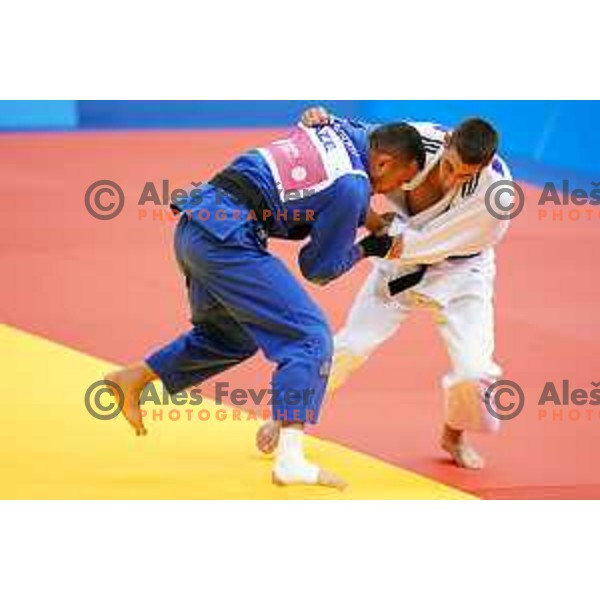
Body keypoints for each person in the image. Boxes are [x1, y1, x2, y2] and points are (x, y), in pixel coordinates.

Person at [106, 116, 425, 488]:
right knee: (310, 337)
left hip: (196, 224)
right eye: (400, 181)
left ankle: (133, 378)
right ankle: (290, 460)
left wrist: (370, 222)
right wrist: (372, 246)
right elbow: (318, 269)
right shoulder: (354, 187)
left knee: (231, 337)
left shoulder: (345, 130)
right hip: (227, 239)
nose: (395, 191)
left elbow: (318, 129)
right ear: (384, 162)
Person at [258, 107, 512, 469]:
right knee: (351, 345)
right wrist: (325, 122)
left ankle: (454, 433)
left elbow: (431, 243)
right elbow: (365, 141)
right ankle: (287, 416)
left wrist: (377, 231)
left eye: (466, 174)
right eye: (450, 166)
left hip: (460, 272)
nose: (453, 178)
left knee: (474, 371)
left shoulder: (494, 196)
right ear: (448, 141)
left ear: (484, 166)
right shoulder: (418, 139)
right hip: (397, 261)